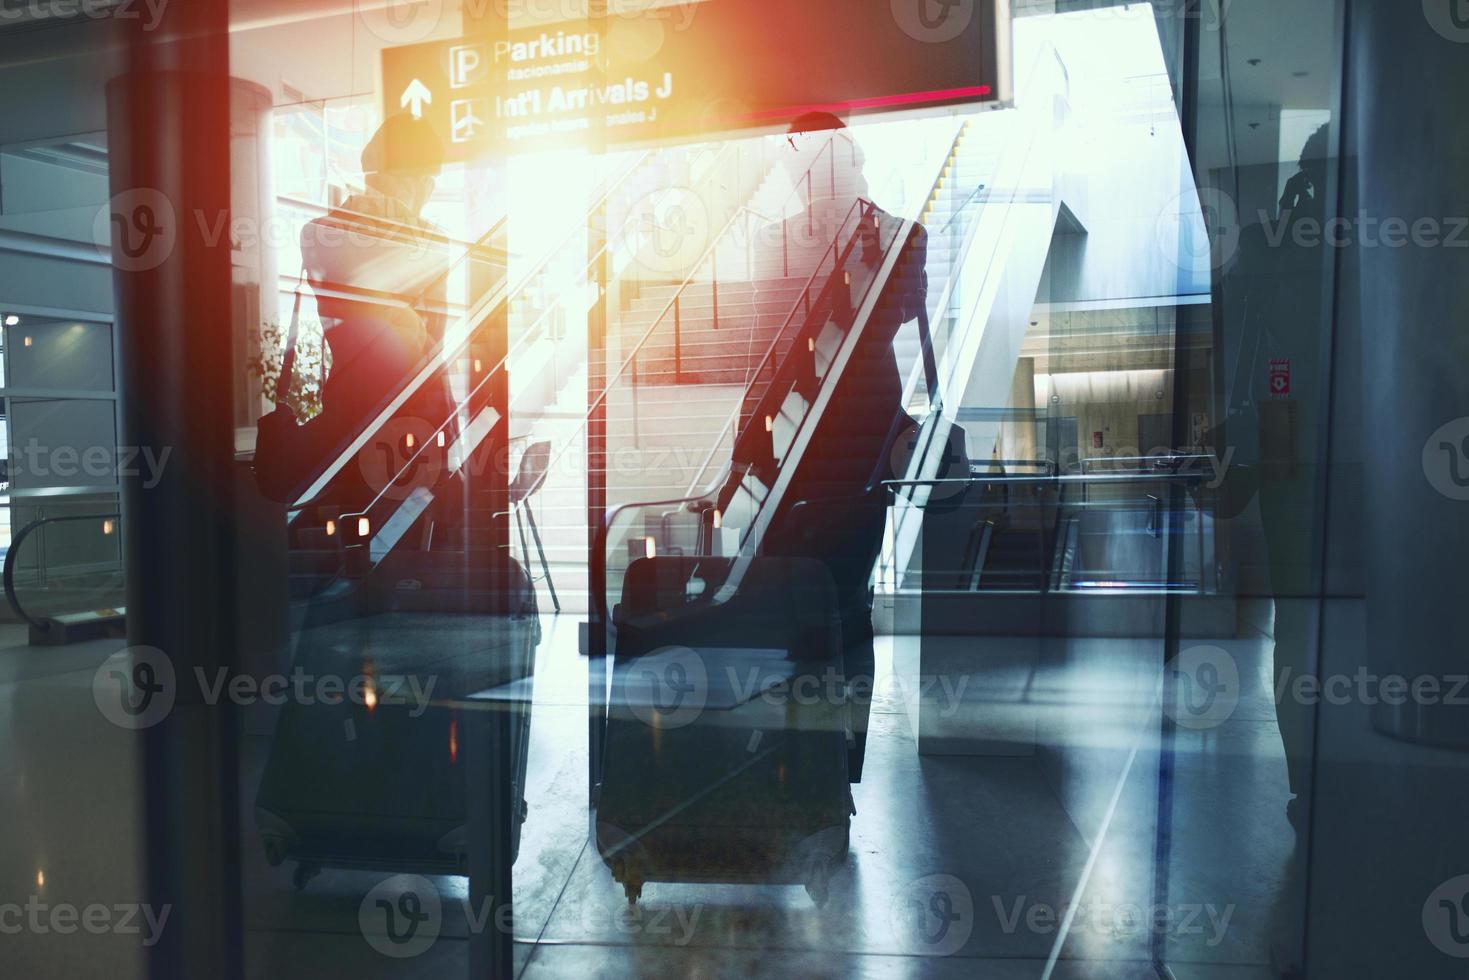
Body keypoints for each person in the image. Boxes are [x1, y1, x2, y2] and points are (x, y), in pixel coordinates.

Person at [726, 111, 929, 783]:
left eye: (810, 159)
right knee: (797, 601)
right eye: (796, 162)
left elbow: (890, 317)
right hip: (787, 448)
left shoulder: (898, 238)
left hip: (855, 446)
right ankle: (804, 755)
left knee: (843, 600)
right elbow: (762, 347)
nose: (801, 172)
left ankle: (836, 759)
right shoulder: (773, 242)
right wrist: (742, 445)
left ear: (841, 160)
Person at [299, 113, 454, 510]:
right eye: (429, 182)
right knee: (420, 543)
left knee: (354, 537)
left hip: (347, 419)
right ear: (419, 181)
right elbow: (431, 341)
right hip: (414, 420)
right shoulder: (430, 241)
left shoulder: (317, 232)